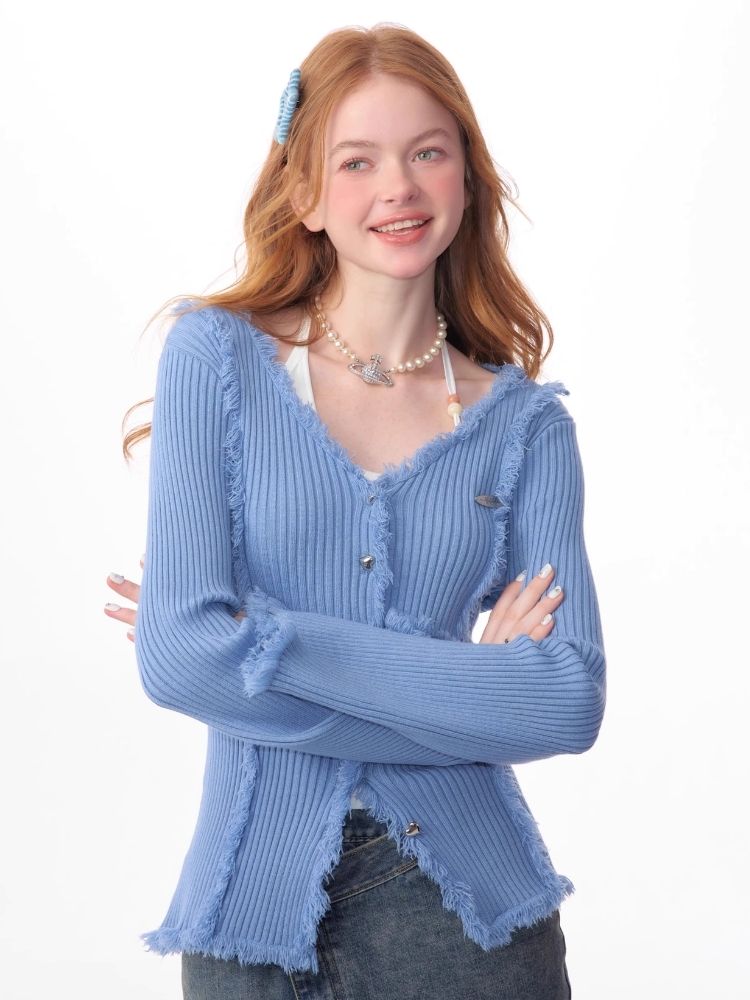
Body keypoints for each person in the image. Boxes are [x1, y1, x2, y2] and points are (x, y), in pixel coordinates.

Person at [105, 23, 606, 1000]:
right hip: (247, 919)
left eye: (428, 153)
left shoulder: (525, 427)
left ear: (468, 178)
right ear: (305, 194)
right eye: (358, 160)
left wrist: (261, 638)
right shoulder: (215, 359)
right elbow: (178, 661)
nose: (399, 188)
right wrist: (474, 692)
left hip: (469, 932)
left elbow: (564, 700)